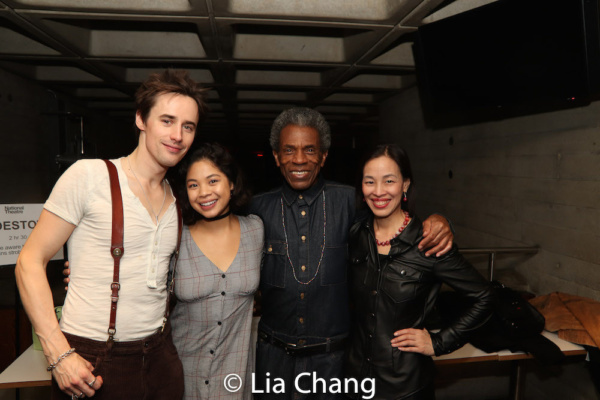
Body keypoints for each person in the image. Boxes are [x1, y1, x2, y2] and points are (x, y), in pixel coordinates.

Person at [15, 69, 207, 400]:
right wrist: (58, 353)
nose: (178, 134)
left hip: (161, 357)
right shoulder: (89, 176)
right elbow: (29, 260)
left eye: (187, 126)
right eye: (167, 121)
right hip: (95, 360)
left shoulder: (179, 198)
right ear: (141, 120)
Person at [249, 108, 455, 399]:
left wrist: (441, 220)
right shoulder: (257, 208)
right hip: (273, 359)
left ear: (323, 156)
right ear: (275, 156)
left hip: (332, 363)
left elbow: (395, 220)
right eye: (288, 150)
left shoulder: (351, 201)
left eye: (310, 150)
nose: (298, 159)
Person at [345, 144, 494, 400]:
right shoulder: (356, 235)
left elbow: (485, 297)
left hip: (405, 389)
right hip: (354, 384)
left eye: (389, 181)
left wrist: (438, 343)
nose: (378, 191)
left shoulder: (429, 243)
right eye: (370, 182)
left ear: (405, 185)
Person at [169, 143, 263, 400]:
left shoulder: (256, 230)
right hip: (182, 377)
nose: (203, 193)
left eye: (213, 181)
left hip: (236, 379)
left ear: (231, 183)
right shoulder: (175, 236)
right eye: (193, 185)